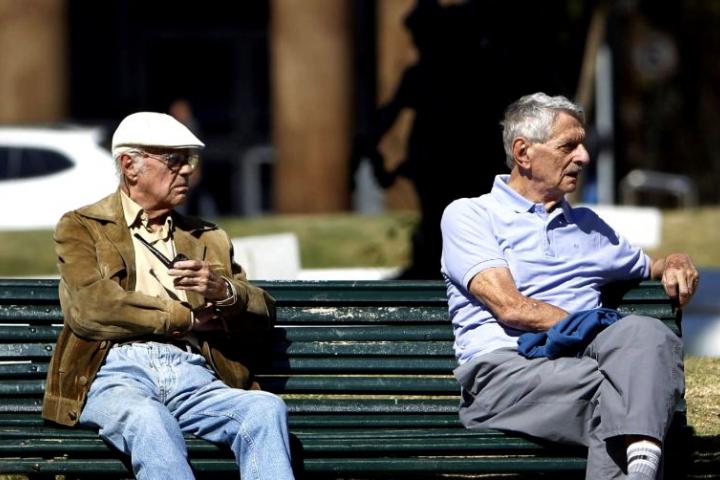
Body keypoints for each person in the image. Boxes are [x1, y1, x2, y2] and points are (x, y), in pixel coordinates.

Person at [441, 93, 699, 480]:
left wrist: (676, 261)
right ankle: (644, 454)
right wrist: (594, 324)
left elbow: (651, 265)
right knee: (627, 394)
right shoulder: (471, 215)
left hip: (580, 368)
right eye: (569, 146)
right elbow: (511, 307)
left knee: (648, 333)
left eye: (583, 145)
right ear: (523, 152)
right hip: (505, 375)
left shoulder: (590, 228)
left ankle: (641, 462)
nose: (584, 157)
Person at [41, 112, 294, 480]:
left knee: (264, 410)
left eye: (190, 160)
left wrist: (225, 292)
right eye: (174, 160)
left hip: (193, 374)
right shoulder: (83, 226)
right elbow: (91, 307)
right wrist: (185, 318)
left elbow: (261, 316)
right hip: (115, 372)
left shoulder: (207, 237)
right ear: (130, 166)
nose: (187, 170)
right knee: (148, 419)